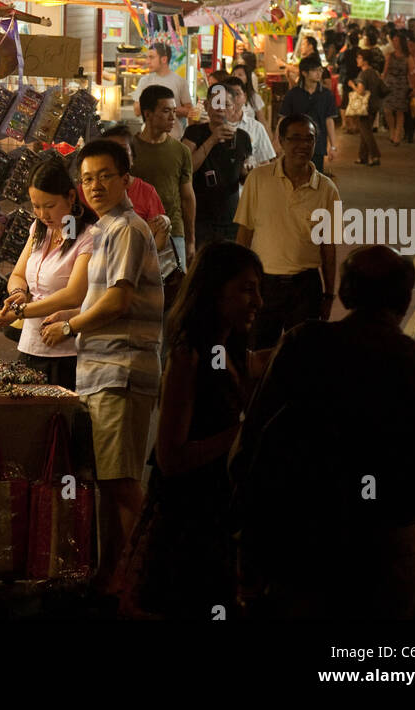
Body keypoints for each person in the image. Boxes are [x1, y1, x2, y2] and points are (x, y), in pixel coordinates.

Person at [231, 246, 415, 620]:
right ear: (404, 298)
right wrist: (402, 496)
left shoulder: (303, 344)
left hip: (305, 541)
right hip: (390, 551)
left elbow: (251, 452)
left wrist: (250, 551)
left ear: (346, 293)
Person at [40, 137, 163, 594]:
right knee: (110, 485)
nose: (94, 185)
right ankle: (113, 579)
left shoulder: (128, 228)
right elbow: (98, 296)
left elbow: (118, 298)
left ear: (126, 179)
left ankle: (151, 576)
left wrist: (71, 325)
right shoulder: (106, 229)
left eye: (104, 176)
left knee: (124, 485)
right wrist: (63, 314)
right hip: (101, 371)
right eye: (87, 178)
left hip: (121, 371)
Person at [120, 241, 265, 619]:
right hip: (186, 527)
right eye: (247, 289)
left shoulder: (227, 350)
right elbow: (171, 458)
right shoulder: (189, 356)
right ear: (217, 289)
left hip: (216, 520)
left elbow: (259, 363)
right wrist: (240, 435)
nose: (258, 302)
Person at [0, 161, 95, 389]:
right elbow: (18, 275)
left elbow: (73, 295)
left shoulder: (89, 237)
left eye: (49, 206)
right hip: (30, 345)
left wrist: (19, 312)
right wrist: (18, 293)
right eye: (36, 206)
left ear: (71, 197)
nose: (43, 214)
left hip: (67, 352)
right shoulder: (39, 229)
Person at [234, 112, 340, 349]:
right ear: (280, 141)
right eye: (295, 138)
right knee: (257, 350)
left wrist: (329, 294)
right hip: (264, 284)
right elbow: (244, 235)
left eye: (309, 139)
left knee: (302, 357)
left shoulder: (326, 189)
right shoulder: (259, 179)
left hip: (306, 287)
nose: (302, 145)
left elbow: (328, 246)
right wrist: (240, 285)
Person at [132, 85, 195, 269]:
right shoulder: (130, 150)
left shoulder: (181, 150)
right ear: (148, 114)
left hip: (173, 232)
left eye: (174, 111)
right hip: (137, 232)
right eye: (166, 111)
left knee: (175, 291)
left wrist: (190, 240)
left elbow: (187, 197)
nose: (173, 117)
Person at [182, 84, 252, 241]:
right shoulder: (194, 133)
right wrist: (213, 139)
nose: (220, 109)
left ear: (234, 108)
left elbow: (242, 176)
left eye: (226, 104)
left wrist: (249, 173)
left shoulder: (242, 137)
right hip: (200, 217)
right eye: (215, 103)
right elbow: (186, 169)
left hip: (231, 216)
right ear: (207, 105)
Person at [276, 55, 338, 175]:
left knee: (315, 177)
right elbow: (283, 118)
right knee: (294, 175)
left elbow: (329, 120)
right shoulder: (293, 94)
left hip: (318, 145)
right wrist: (277, 141)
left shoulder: (326, 95)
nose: (319, 73)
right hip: (294, 143)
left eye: (320, 70)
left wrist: (333, 146)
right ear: (304, 73)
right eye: (315, 70)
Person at [133, 42, 194, 140]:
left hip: (174, 139)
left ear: (164, 59)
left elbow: (189, 111)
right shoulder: (144, 81)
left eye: (152, 57)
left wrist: (164, 109)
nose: (148, 61)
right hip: (148, 139)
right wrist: (160, 109)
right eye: (147, 57)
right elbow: (136, 110)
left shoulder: (180, 82)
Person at [219, 74, 275, 168]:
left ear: (245, 97)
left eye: (237, 94)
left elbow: (265, 163)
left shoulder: (256, 127)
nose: (233, 98)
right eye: (228, 94)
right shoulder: (215, 125)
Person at [349, 48, 385, 166]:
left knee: (366, 132)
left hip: (365, 107)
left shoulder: (363, 74)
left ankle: (375, 156)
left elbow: (360, 91)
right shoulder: (374, 72)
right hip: (374, 105)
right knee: (365, 132)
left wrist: (352, 85)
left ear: (365, 61)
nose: (357, 60)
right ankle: (362, 156)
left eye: (359, 58)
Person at [382, 30, 410, 145]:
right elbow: (385, 71)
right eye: (393, 41)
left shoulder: (407, 57)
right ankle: (392, 130)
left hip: (402, 85)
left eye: (397, 41)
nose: (394, 43)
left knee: (399, 111)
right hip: (390, 84)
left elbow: (410, 73)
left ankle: (397, 134)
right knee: (388, 110)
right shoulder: (390, 56)